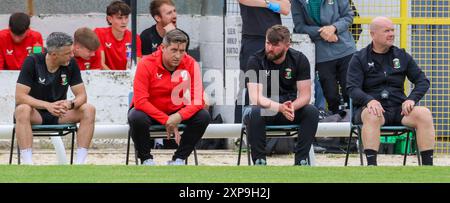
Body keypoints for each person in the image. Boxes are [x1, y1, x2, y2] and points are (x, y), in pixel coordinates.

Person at [346, 16, 435, 166]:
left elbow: (423, 81)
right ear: (373, 34)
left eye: (393, 30)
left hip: (399, 109)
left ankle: (428, 168)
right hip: (373, 110)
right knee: (372, 114)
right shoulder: (359, 58)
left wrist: (411, 99)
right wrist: (369, 101)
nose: (392, 34)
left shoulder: (401, 55)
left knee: (424, 113)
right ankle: (372, 167)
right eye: (386, 30)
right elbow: (352, 88)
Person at [128, 29, 210, 166]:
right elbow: (140, 101)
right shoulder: (146, 63)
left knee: (203, 116)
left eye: (182, 51)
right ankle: (146, 159)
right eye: (174, 50)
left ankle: (179, 159)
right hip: (150, 112)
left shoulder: (191, 64)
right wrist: (167, 120)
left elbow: (198, 101)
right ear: (162, 48)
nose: (178, 55)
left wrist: (178, 116)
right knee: (136, 116)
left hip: (176, 111)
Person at [14, 32, 96, 165]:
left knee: (89, 109)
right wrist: (47, 105)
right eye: (67, 53)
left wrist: (70, 104)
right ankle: (28, 164)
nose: (72, 55)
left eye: (71, 51)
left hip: (60, 113)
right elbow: (20, 96)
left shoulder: (71, 63)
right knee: (22, 109)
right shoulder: (32, 61)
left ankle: (80, 164)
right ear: (53, 55)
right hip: (36, 113)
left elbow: (82, 96)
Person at [244, 25, 319, 165]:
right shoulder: (255, 60)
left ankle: (301, 160)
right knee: (254, 112)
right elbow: (255, 98)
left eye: (275, 45)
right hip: (264, 109)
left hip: (289, 110)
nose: (270, 48)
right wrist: (279, 107)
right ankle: (259, 160)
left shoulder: (299, 59)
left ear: (287, 45)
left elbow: (305, 95)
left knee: (312, 112)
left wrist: (291, 107)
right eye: (267, 43)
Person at [292, 0, 356, 115]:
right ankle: (336, 121)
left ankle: (354, 121)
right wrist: (323, 33)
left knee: (350, 90)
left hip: (345, 49)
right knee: (330, 94)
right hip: (321, 54)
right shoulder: (297, 1)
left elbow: (348, 16)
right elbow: (299, 26)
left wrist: (334, 28)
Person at [234, 0, 291, 123]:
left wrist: (266, 3)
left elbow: (285, 8)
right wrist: (270, 3)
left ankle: (269, 135)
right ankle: (240, 132)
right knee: (247, 87)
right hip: (252, 39)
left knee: (272, 87)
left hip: (275, 39)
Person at [94, 0, 142, 70]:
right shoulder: (99, 33)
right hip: (105, 78)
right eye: (119, 18)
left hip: (128, 78)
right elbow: (100, 64)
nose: (124, 22)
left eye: (126, 17)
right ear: (109, 19)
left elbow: (135, 65)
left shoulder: (135, 38)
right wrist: (115, 79)